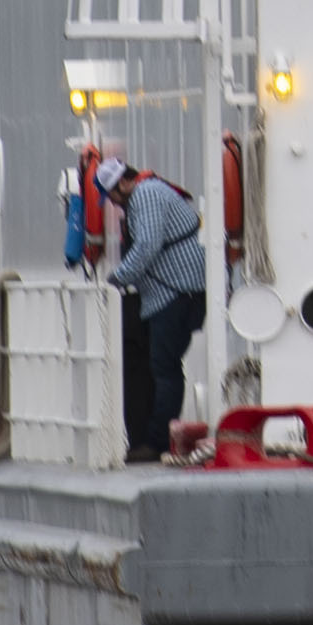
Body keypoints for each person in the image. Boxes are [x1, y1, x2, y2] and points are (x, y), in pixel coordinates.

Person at [115, 162, 207, 463]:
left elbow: (147, 246)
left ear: (123, 184)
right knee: (162, 366)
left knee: (164, 368)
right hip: (174, 292)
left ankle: (157, 443)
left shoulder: (146, 195)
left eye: (113, 196)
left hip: (176, 292)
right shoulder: (150, 192)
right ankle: (155, 438)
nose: (116, 203)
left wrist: (117, 278)